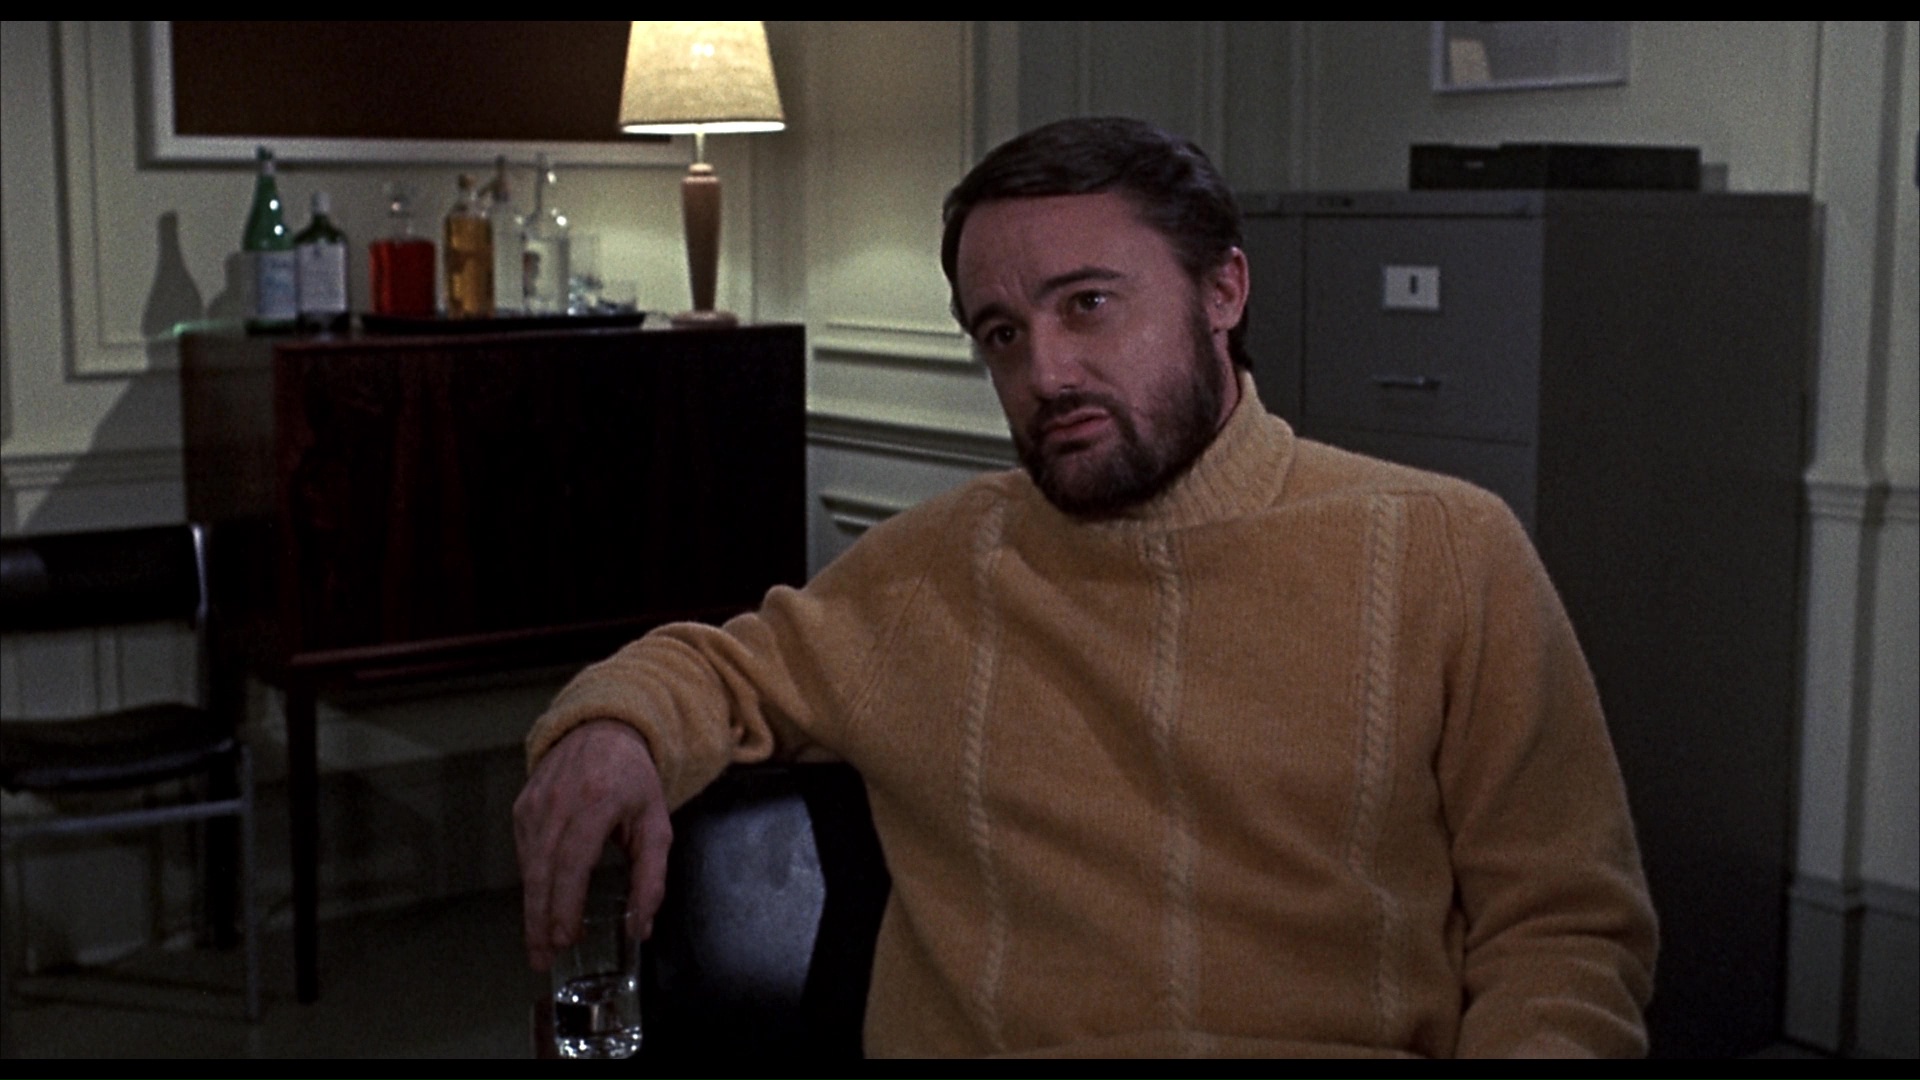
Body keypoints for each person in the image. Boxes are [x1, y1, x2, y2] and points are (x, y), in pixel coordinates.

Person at [514, 116, 1658, 1058]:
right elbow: (717, 668)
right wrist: (612, 730)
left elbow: (1564, 934)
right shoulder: (933, 569)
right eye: (1002, 334)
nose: (1045, 372)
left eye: (1088, 305)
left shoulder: (1446, 553)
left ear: (1223, 291)